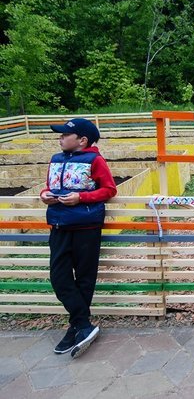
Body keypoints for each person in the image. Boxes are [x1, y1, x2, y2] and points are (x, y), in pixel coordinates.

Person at [40, 118, 117, 358]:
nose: (60, 138)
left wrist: (81, 198)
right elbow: (49, 186)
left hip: (86, 226)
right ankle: (83, 324)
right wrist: (44, 194)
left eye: (65, 135)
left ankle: (76, 328)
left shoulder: (95, 160)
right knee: (59, 277)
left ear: (82, 140)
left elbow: (109, 189)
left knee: (85, 277)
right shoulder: (56, 159)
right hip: (58, 225)